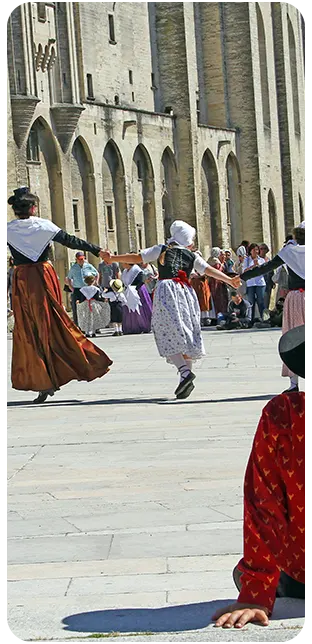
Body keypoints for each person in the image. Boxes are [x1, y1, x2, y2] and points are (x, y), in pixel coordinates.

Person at [213, 325, 308, 629]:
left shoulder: (286, 414)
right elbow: (263, 502)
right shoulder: (284, 415)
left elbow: (263, 502)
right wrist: (256, 590)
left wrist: (256, 588)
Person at [101, 220, 241, 399]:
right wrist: (229, 281)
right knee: (186, 331)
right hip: (186, 293)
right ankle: (185, 378)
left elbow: (137, 258)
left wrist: (112, 258)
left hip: (167, 290)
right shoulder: (192, 256)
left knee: (164, 330)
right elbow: (208, 270)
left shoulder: (162, 249)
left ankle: (184, 373)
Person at [7, 187, 112, 404]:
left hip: (22, 279)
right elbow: (71, 241)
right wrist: (97, 250)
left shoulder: (7, 229)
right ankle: (82, 361)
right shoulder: (43, 225)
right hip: (43, 276)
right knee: (54, 323)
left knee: (28, 328)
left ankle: (43, 379)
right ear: (33, 208)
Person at [240, 224, 305, 392]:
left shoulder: (289, 252)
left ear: (296, 236)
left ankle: (294, 383)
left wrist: (242, 277)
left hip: (296, 298)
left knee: (293, 340)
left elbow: (265, 268)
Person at [65, 251, 99, 326]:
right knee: (77, 308)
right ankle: (78, 326)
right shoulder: (73, 268)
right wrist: (71, 288)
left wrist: (96, 283)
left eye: (82, 259)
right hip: (78, 289)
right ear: (76, 260)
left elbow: (97, 274)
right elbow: (69, 278)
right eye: (79, 259)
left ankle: (94, 326)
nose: (81, 261)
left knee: (91, 307)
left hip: (88, 288)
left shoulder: (89, 266)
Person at [121, 263, 153, 335]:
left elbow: (140, 281)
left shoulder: (137, 270)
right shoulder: (125, 271)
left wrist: (133, 289)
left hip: (138, 291)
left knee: (140, 308)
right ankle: (131, 327)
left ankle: (143, 326)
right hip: (128, 291)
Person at [242, 243, 266, 323]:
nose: (256, 251)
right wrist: (252, 266)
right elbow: (244, 271)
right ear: (250, 251)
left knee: (261, 301)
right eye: (254, 250)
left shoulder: (261, 260)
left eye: (257, 250)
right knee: (251, 302)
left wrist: (258, 266)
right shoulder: (247, 260)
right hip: (250, 283)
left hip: (260, 283)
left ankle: (264, 319)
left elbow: (264, 271)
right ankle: (250, 320)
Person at [207, 247, 229, 322]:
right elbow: (219, 272)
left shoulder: (209, 260)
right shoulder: (217, 262)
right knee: (220, 300)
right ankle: (220, 316)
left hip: (211, 282)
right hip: (217, 282)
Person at [259, 243, 274, 309]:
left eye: (264, 249)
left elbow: (271, 272)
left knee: (266, 301)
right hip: (259, 284)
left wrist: (272, 282)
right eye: (261, 249)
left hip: (268, 284)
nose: (263, 250)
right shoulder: (257, 260)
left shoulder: (268, 260)